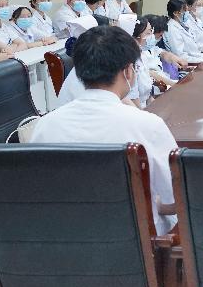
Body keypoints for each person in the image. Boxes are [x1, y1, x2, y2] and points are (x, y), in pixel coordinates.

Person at [30, 25, 178, 235]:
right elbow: (175, 197)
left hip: (66, 239)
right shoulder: (147, 125)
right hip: (138, 243)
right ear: (128, 71)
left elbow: (40, 193)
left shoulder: (46, 125)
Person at [164, 0, 203, 64]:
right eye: (184, 11)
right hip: (187, 66)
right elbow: (181, 56)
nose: (187, 13)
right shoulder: (172, 29)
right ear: (175, 13)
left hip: (197, 59)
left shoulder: (182, 25)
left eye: (187, 10)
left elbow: (194, 50)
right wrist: (202, 60)